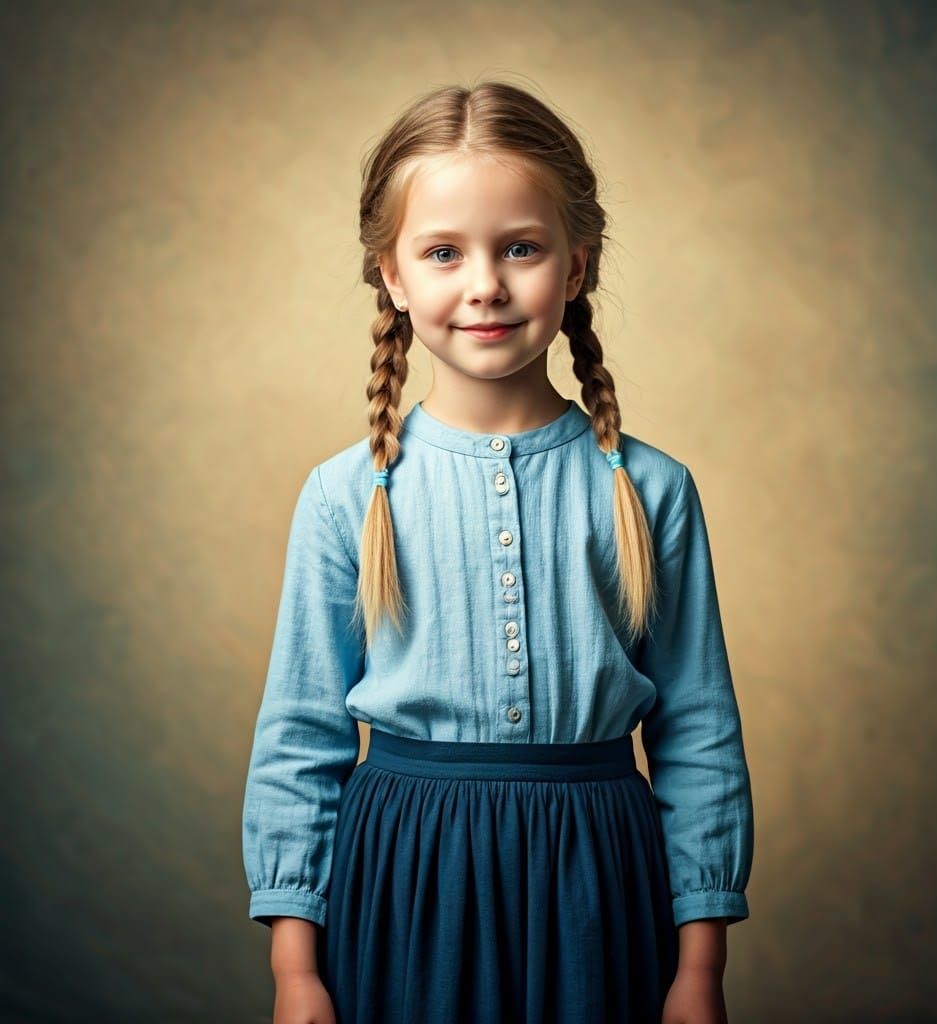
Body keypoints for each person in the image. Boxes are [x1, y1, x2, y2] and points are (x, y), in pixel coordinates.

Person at [241, 78, 754, 1024]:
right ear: (392, 275)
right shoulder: (347, 497)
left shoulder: (651, 491)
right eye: (443, 252)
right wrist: (294, 972)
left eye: (520, 247)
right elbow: (298, 738)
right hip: (405, 877)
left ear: (577, 263)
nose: (485, 284)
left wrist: (700, 970)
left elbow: (699, 736)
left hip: (600, 881)